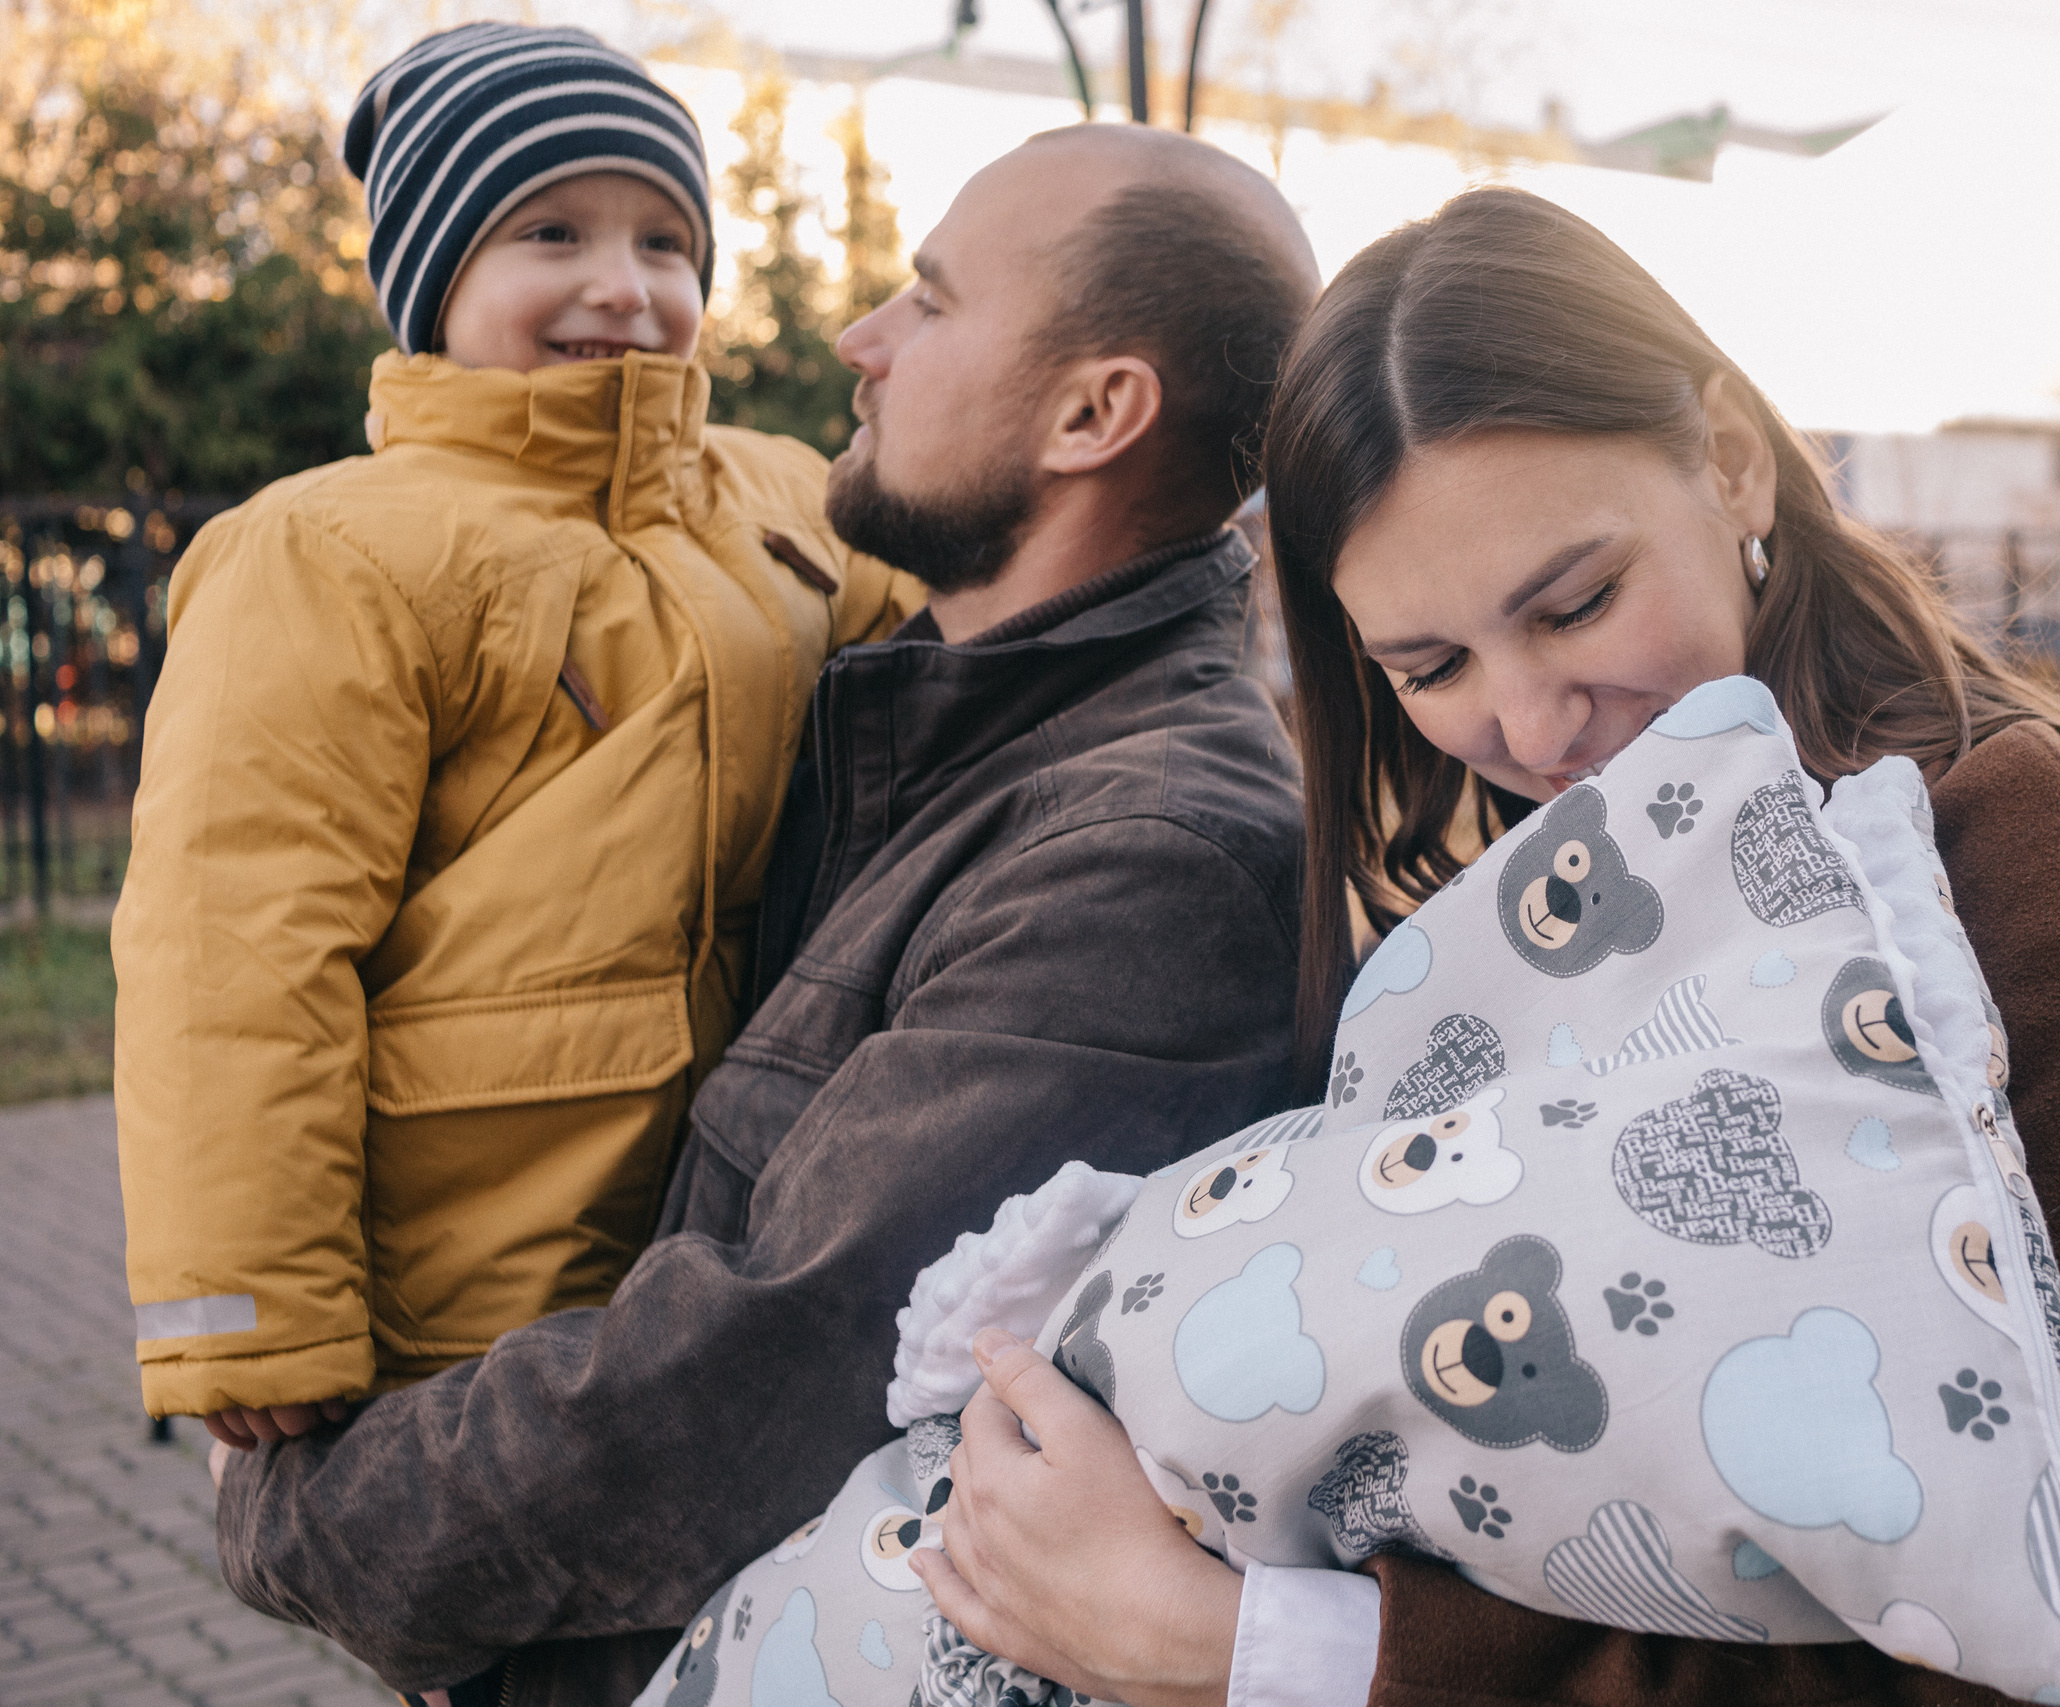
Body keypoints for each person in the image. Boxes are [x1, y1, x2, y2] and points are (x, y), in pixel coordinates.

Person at [917, 187, 2060, 1707]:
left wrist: (1268, 1657)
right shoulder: (1485, 873)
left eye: (1578, 602)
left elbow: (2019, 1618)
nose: (1533, 725)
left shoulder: (1983, 833)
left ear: (1734, 463)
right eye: (1427, 666)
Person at [212, 122, 1323, 1707]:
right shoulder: (904, 715)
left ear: (1094, 413)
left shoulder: (1155, 852)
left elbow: (767, 1369)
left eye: (929, 305)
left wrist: (306, 1518)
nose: (858, 344)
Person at [115, 22, 913, 1453]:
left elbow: (975, 620)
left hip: (754, 1227)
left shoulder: (782, 501)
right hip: (479, 1277)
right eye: (550, 231)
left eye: (666, 242)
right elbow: (233, 946)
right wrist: (249, 1313)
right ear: (435, 277)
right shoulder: (328, 550)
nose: (623, 284)